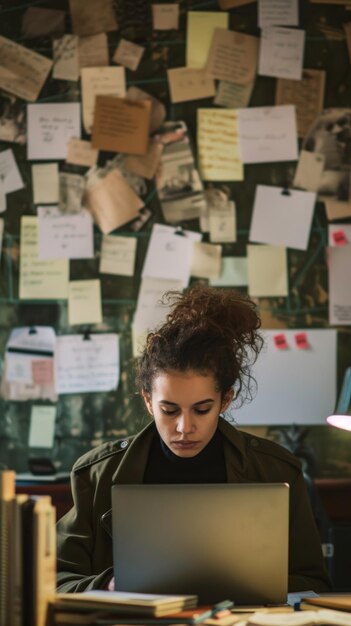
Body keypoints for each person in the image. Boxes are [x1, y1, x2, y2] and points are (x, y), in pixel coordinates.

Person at [56, 284, 331, 594]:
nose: (184, 427)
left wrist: (254, 585)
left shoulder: (277, 471)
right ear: (148, 401)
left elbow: (313, 583)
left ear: (225, 401)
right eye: (169, 410)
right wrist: (108, 584)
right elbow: (56, 580)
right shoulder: (98, 475)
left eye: (202, 409)